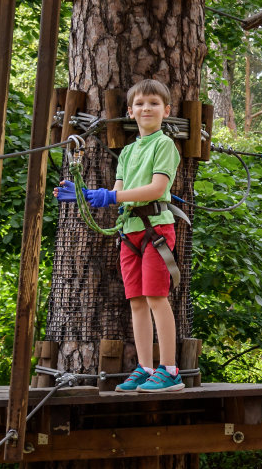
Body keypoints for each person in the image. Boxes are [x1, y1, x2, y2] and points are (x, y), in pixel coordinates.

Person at [57, 78, 185, 391]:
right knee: (137, 301)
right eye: (140, 103)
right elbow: (119, 191)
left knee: (156, 297)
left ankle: (170, 370)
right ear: (130, 111)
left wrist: (109, 196)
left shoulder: (164, 145)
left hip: (155, 229)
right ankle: (145, 367)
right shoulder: (127, 152)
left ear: (166, 110)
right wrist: (87, 194)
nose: (146, 108)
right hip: (130, 233)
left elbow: (155, 188)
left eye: (154, 103)